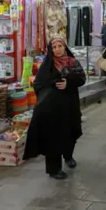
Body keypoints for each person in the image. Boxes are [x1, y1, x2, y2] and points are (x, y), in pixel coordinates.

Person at [24, 38, 87, 179]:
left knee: (71, 131)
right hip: (52, 109)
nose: (58, 49)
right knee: (53, 137)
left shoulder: (73, 62)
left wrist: (68, 83)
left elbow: (82, 79)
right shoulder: (47, 65)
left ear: (65, 47)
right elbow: (38, 84)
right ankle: (54, 169)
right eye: (54, 47)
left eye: (60, 46)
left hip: (70, 105)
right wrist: (52, 86)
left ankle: (68, 156)